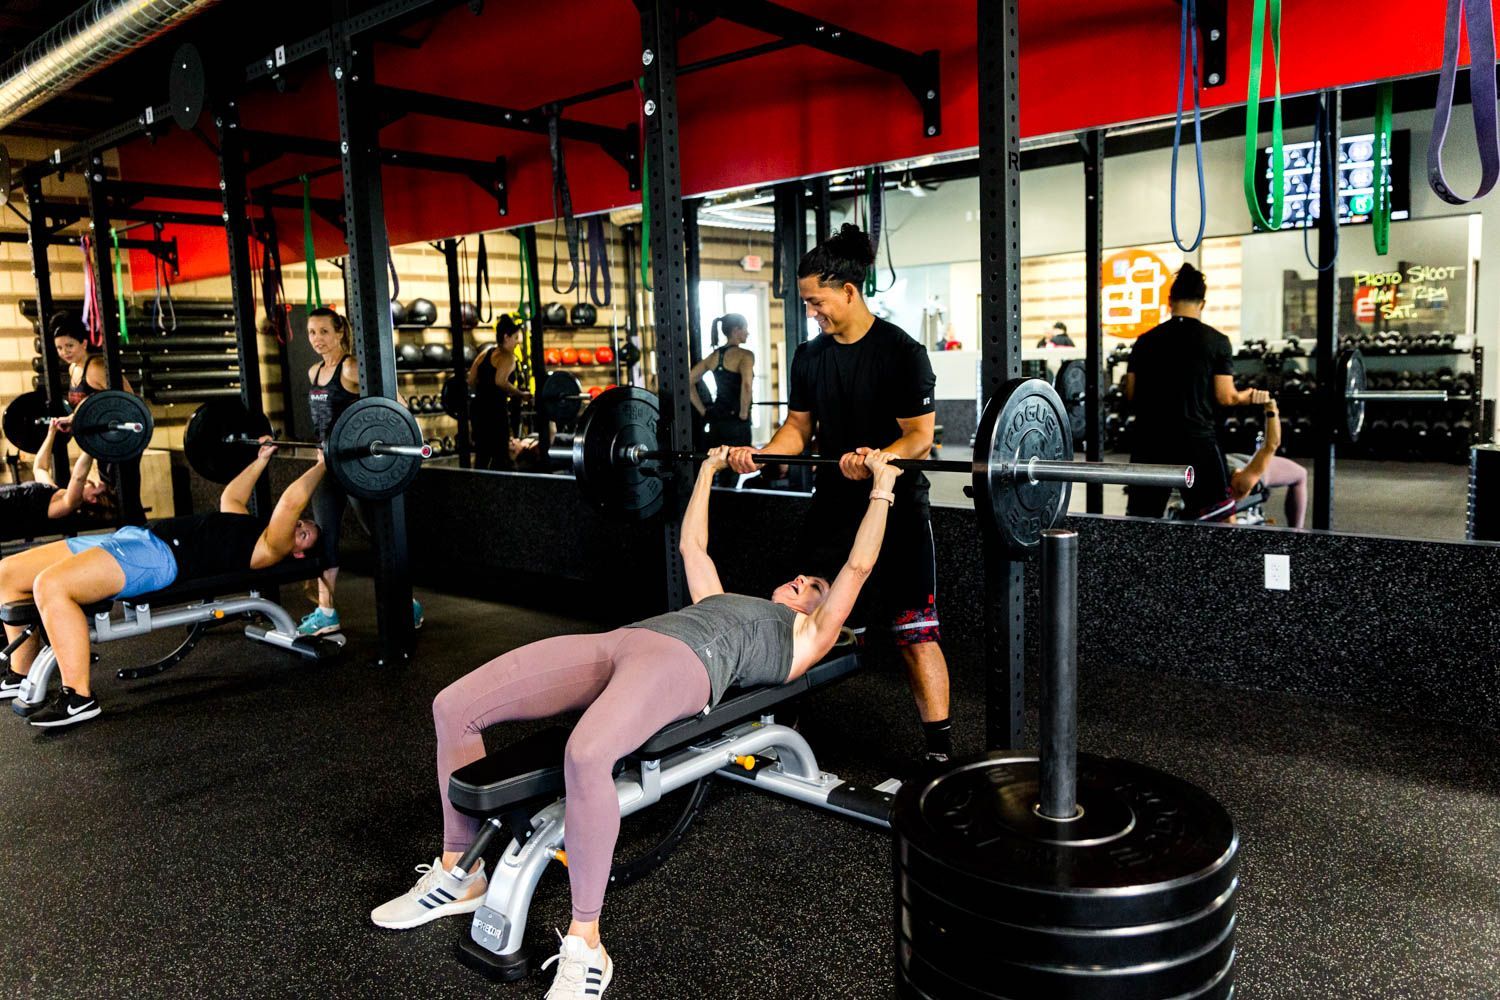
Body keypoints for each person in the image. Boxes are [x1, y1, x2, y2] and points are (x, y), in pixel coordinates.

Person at [371, 447, 902, 998]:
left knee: (587, 754)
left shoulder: (805, 637)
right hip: (620, 641)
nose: (801, 581)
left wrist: (882, 486)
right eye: (801, 578)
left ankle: (586, 940)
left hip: (684, 667)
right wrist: (709, 470)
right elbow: (691, 545)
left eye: (813, 587)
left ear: (825, 615)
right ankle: (460, 872)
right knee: (454, 706)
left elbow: (857, 567)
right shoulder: (721, 600)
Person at [725, 223, 954, 767]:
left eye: (817, 301)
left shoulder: (901, 353)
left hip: (895, 507)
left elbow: (920, 436)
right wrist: (761, 454)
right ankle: (779, 731)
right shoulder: (810, 357)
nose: (812, 312)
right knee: (798, 619)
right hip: (831, 508)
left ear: (849, 292)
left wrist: (878, 459)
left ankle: (941, 755)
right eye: (806, 302)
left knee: (913, 632)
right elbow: (798, 430)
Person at [0, 440, 325, 728]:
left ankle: (78, 698)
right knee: (8, 572)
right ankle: (21, 672)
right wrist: (262, 459)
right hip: (135, 536)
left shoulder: (271, 548)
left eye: (304, 533)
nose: (298, 526)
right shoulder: (247, 525)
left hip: (157, 558)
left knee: (52, 585)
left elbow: (290, 503)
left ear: (297, 553)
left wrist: (322, 464)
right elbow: (232, 495)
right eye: (301, 524)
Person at [296, 307, 422, 636]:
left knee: (380, 533)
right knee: (326, 539)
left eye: (324, 331)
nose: (317, 339)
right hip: (326, 466)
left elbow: (393, 404)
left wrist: (399, 435)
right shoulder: (314, 373)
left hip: (358, 467)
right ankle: (326, 613)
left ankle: (407, 603)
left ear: (340, 333)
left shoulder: (352, 367)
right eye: (311, 332)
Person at [1122, 264, 1269, 519]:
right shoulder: (1216, 341)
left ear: (1170, 301)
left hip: (1151, 443)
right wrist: (1249, 396)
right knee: (1217, 519)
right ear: (1202, 303)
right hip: (1196, 443)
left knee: (1141, 521)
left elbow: (1132, 393)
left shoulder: (1145, 341)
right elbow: (1226, 396)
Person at [51, 312, 145, 524]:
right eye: (59, 348)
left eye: (69, 346)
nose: (64, 352)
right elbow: (86, 408)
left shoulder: (96, 367)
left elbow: (130, 401)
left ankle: (144, 543)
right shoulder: (73, 368)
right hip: (101, 443)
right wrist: (72, 420)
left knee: (126, 498)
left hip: (122, 440)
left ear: (83, 343)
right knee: (112, 498)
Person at [0, 417, 114, 535]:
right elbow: (40, 467)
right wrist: (52, 432)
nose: (91, 481)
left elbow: (78, 477)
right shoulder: (53, 492)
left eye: (94, 485)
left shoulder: (69, 503)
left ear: (92, 499)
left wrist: (91, 446)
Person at [1225, 399, 1308, 528]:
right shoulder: (1241, 483)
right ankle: (1296, 535)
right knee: (1301, 474)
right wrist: (1271, 408)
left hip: (1227, 460)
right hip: (1238, 462)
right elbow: (1271, 444)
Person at [468, 314, 531, 471]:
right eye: (516, 338)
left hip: (478, 412)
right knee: (500, 456)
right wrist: (520, 394)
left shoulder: (485, 354)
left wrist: (484, 393)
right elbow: (500, 381)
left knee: (482, 455)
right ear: (506, 337)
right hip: (495, 412)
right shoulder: (508, 357)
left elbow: (471, 380)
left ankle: (478, 488)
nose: (518, 342)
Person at [689, 313, 754, 453]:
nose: (747, 333)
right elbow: (747, 386)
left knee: (719, 466)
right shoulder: (746, 355)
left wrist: (703, 411)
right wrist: (743, 413)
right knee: (736, 467)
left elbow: (688, 381)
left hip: (716, 420)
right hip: (736, 421)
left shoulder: (714, 356)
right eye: (745, 328)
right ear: (736, 330)